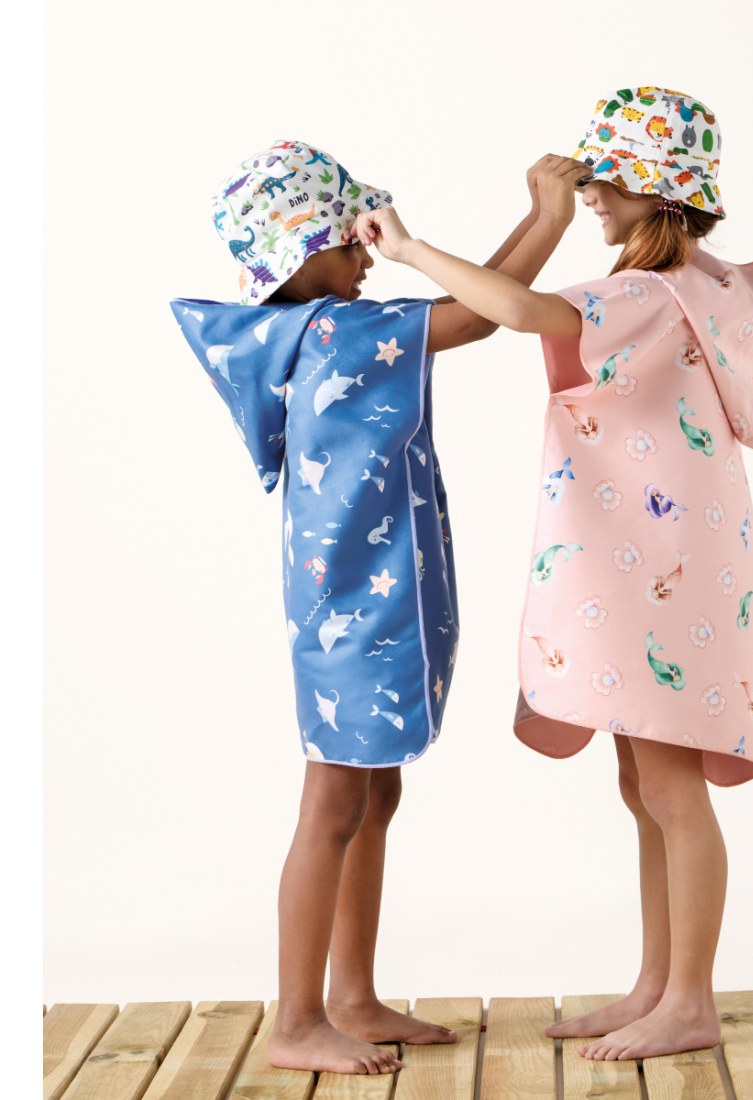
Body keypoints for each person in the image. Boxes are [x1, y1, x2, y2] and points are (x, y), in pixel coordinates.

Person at [357, 89, 753, 1061]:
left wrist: (411, 248)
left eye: (605, 180)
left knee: (670, 786)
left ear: (656, 191)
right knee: (646, 782)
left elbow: (514, 310)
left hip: (655, 566)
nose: (591, 194)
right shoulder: (704, 288)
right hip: (676, 560)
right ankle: (657, 985)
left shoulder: (647, 295)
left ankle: (689, 998)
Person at [170, 140, 589, 1075]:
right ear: (302, 253)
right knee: (332, 801)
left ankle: (351, 997)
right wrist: (547, 219)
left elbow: (474, 309)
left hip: (359, 597)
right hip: (356, 610)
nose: (366, 253)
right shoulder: (335, 332)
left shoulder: (304, 334)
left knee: (372, 791)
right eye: (348, 238)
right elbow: (479, 318)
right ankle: (296, 1021)